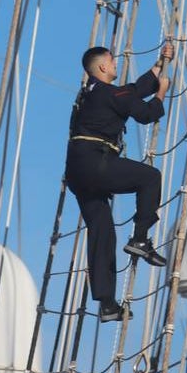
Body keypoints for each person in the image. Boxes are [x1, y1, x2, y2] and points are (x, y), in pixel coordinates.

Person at [66, 41, 175, 323]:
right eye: (113, 62)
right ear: (103, 67)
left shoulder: (90, 94)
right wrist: (161, 94)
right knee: (150, 177)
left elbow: (133, 92)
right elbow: (146, 114)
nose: (116, 64)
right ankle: (140, 238)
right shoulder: (110, 93)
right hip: (96, 161)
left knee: (101, 231)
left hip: (77, 172)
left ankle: (107, 304)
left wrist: (159, 65)